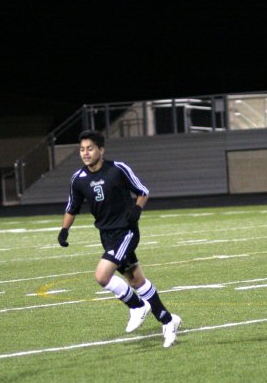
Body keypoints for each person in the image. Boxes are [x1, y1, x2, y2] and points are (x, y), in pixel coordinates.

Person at [58, 130, 181, 348]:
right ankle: (169, 320)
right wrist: (64, 230)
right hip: (107, 235)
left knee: (102, 276)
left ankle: (137, 306)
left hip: (126, 231)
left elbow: (142, 191)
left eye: (90, 148)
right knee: (136, 281)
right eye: (82, 149)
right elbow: (72, 207)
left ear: (101, 150)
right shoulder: (78, 179)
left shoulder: (118, 169)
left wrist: (137, 209)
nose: (85, 153)